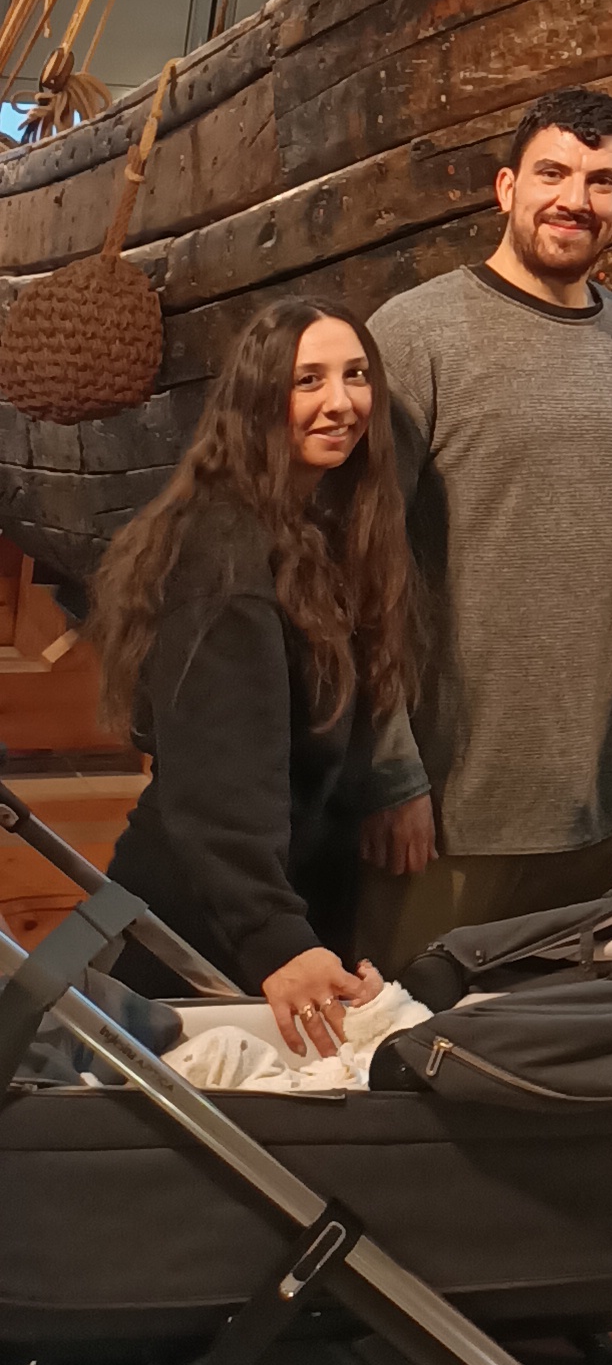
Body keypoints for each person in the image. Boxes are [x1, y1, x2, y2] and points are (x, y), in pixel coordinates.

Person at [357, 88, 612, 966]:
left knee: (541, 1062)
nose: (575, 199)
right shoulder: (414, 334)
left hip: (582, 809)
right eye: (552, 173)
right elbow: (360, 566)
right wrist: (389, 771)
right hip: (443, 810)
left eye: (603, 182)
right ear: (504, 187)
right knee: (401, 1058)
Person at [95, 300, 423, 1049]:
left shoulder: (319, 534)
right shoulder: (225, 554)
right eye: (309, 380)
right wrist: (276, 937)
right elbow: (216, 783)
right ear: (259, 398)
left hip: (264, 905)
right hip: (190, 931)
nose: (341, 403)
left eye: (356, 376)